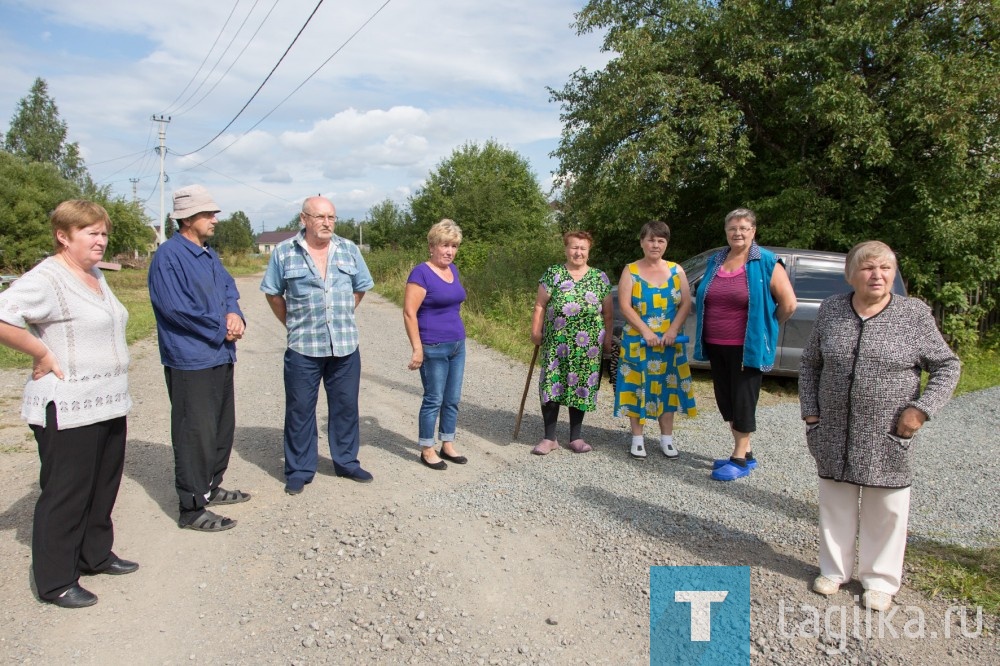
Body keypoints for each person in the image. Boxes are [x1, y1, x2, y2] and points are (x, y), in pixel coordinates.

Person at [800, 240, 959, 612]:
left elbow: (948, 366)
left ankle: (880, 579)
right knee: (835, 502)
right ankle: (833, 570)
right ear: (851, 274)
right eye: (869, 267)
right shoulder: (832, 309)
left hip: (887, 432)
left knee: (886, 507)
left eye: (886, 268)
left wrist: (920, 410)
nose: (877, 275)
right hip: (833, 429)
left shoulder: (913, 314)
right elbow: (810, 364)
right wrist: (811, 414)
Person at [0, 200, 136, 608]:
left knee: (102, 485)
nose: (101, 241)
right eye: (91, 233)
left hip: (107, 401)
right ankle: (56, 579)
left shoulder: (94, 274)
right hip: (68, 404)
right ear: (64, 236)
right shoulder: (49, 277)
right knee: (67, 493)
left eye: (104, 233)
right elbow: (4, 316)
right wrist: (41, 353)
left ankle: (94, 554)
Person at [149, 185, 250, 532]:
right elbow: (175, 310)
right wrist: (219, 327)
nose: (215, 219)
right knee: (195, 432)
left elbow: (228, 290)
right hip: (191, 358)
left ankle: (210, 485)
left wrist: (234, 314)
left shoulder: (208, 253)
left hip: (220, 354)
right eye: (208, 214)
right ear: (187, 218)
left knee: (221, 427)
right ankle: (191, 507)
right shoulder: (168, 257)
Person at [261, 196, 375, 493]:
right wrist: (293, 324)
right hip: (303, 347)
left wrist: (342, 314)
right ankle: (299, 469)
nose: (327, 223)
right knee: (300, 409)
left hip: (345, 346)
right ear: (304, 219)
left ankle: (347, 462)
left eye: (331, 217)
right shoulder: (285, 252)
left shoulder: (348, 249)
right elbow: (273, 293)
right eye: (320, 217)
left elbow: (361, 287)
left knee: (346, 407)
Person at [693, 208, 796, 481]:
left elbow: (788, 304)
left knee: (743, 400)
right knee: (726, 400)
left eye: (743, 228)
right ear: (726, 232)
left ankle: (738, 459)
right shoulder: (717, 260)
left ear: (753, 231)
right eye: (732, 228)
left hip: (745, 347)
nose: (737, 233)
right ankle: (746, 454)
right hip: (716, 343)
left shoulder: (766, 262)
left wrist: (766, 327)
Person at [614, 221, 697, 458]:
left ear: (666, 244)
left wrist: (672, 330)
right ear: (642, 242)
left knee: (668, 387)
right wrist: (646, 331)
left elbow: (685, 304)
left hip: (670, 342)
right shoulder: (630, 270)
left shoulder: (676, 270)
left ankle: (666, 439)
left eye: (661, 240)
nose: (655, 244)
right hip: (638, 340)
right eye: (651, 239)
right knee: (636, 386)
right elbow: (625, 306)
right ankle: (637, 438)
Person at [530, 231, 614, 455]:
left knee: (581, 387)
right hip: (556, 343)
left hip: (588, 349)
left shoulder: (599, 277)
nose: (578, 252)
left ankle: (576, 437)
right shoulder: (554, 274)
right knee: (551, 385)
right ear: (566, 249)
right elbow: (540, 305)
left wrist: (607, 341)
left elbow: (608, 314)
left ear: (589, 251)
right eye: (574, 247)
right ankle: (549, 438)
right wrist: (536, 330)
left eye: (583, 248)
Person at [403, 220, 468, 470]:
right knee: (434, 398)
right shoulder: (421, 273)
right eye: (445, 245)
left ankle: (447, 443)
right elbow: (409, 313)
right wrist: (418, 348)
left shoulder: (454, 271)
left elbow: (454, 303)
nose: (450, 251)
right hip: (433, 346)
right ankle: (427, 448)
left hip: (457, 344)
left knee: (452, 398)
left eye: (454, 246)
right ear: (432, 246)